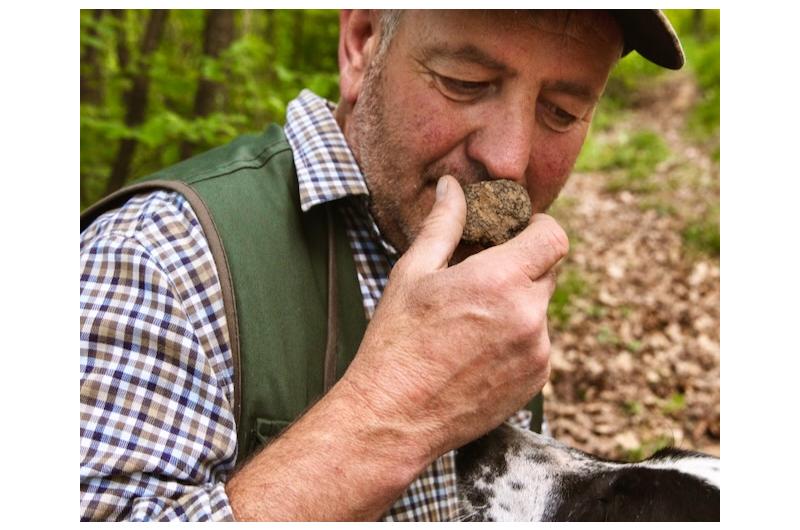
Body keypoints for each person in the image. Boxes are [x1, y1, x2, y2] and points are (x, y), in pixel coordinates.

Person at [80, 9, 684, 521]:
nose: (508, 160)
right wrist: (395, 410)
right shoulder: (154, 261)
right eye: (465, 81)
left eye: (561, 111)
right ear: (362, 43)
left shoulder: (494, 274)